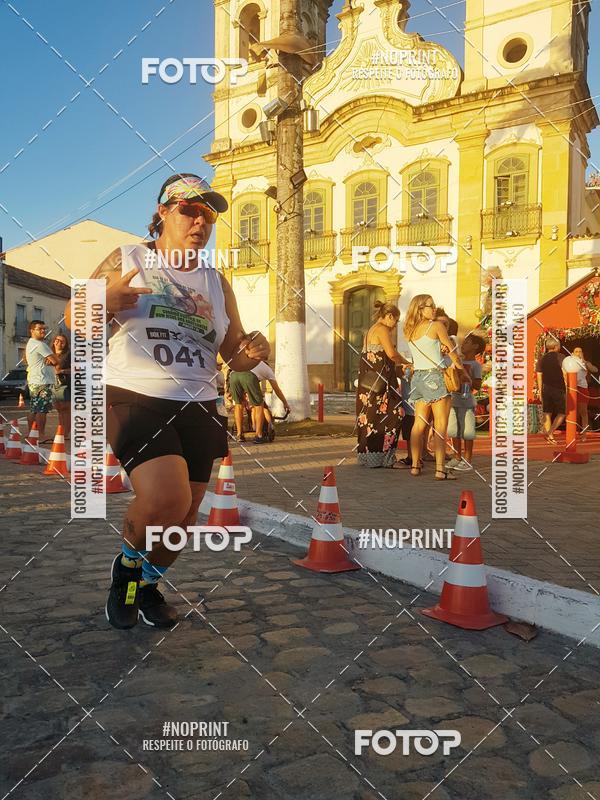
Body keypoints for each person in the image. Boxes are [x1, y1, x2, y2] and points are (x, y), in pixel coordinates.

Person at [65, 172, 269, 630]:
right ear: (162, 213)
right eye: (189, 209)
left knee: (185, 516)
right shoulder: (130, 257)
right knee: (165, 497)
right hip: (134, 392)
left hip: (199, 401)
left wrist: (255, 351)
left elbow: (233, 355)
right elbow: (74, 318)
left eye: (208, 213)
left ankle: (147, 584)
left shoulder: (217, 282)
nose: (200, 220)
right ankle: (126, 574)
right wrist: (102, 301)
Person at [404, 294, 463, 480]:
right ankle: (440, 469)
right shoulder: (436, 326)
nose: (434, 308)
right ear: (420, 308)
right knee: (440, 425)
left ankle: (414, 465)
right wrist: (460, 367)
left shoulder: (409, 330)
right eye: (430, 306)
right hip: (435, 376)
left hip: (418, 378)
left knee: (418, 424)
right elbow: (451, 349)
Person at [356, 300, 411, 468]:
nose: (395, 325)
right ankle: (385, 457)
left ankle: (369, 457)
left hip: (370, 384)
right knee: (394, 414)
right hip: (382, 385)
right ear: (389, 316)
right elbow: (392, 354)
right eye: (396, 320)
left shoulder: (370, 330)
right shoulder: (382, 329)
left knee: (370, 418)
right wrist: (407, 363)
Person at [446, 334, 486, 471]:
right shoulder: (457, 362)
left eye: (467, 342)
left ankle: (468, 459)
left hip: (467, 400)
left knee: (467, 431)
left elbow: (478, 385)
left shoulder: (476, 365)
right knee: (454, 430)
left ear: (475, 347)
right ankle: (457, 457)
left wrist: (466, 377)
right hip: (454, 399)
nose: (463, 345)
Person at [25, 320, 60, 442]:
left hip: (34, 380)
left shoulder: (30, 344)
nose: (43, 331)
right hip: (42, 380)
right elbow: (56, 360)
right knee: (42, 410)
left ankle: (31, 433)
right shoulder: (40, 345)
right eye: (40, 329)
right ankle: (41, 434)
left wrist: (49, 359)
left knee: (34, 409)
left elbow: (51, 360)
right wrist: (52, 359)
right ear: (32, 330)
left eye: (44, 329)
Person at [562, 346, 598, 441]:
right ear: (572, 353)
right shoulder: (568, 361)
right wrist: (566, 384)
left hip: (582, 388)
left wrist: (585, 361)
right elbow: (564, 372)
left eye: (580, 351)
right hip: (571, 388)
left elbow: (595, 370)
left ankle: (584, 434)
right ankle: (572, 433)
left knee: (583, 412)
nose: (578, 353)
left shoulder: (585, 362)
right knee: (572, 412)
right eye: (576, 351)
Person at [536, 337, 566, 444]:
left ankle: (551, 437)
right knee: (562, 412)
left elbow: (539, 375)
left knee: (547, 412)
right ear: (556, 346)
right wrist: (567, 386)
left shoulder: (541, 359)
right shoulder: (561, 357)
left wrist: (540, 390)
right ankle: (550, 433)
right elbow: (564, 373)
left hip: (545, 388)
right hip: (558, 388)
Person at [229, 367, 269, 443]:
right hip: (248, 375)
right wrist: (285, 403)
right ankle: (259, 435)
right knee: (259, 405)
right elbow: (276, 388)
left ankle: (239, 434)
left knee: (238, 404)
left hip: (233, 374)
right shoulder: (267, 369)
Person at [252, 361, 290, 434]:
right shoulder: (267, 371)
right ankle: (264, 428)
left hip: (246, 394)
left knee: (255, 409)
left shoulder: (252, 368)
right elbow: (277, 390)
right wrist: (285, 403)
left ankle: (254, 426)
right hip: (251, 394)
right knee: (263, 408)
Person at [51, 334, 71, 439]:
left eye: (63, 341)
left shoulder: (69, 354)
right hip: (53, 385)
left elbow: (77, 369)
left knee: (66, 410)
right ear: (54, 341)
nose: (59, 342)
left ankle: (66, 433)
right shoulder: (49, 354)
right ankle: (61, 431)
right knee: (59, 409)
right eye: (57, 340)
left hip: (66, 385)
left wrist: (62, 371)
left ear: (65, 344)